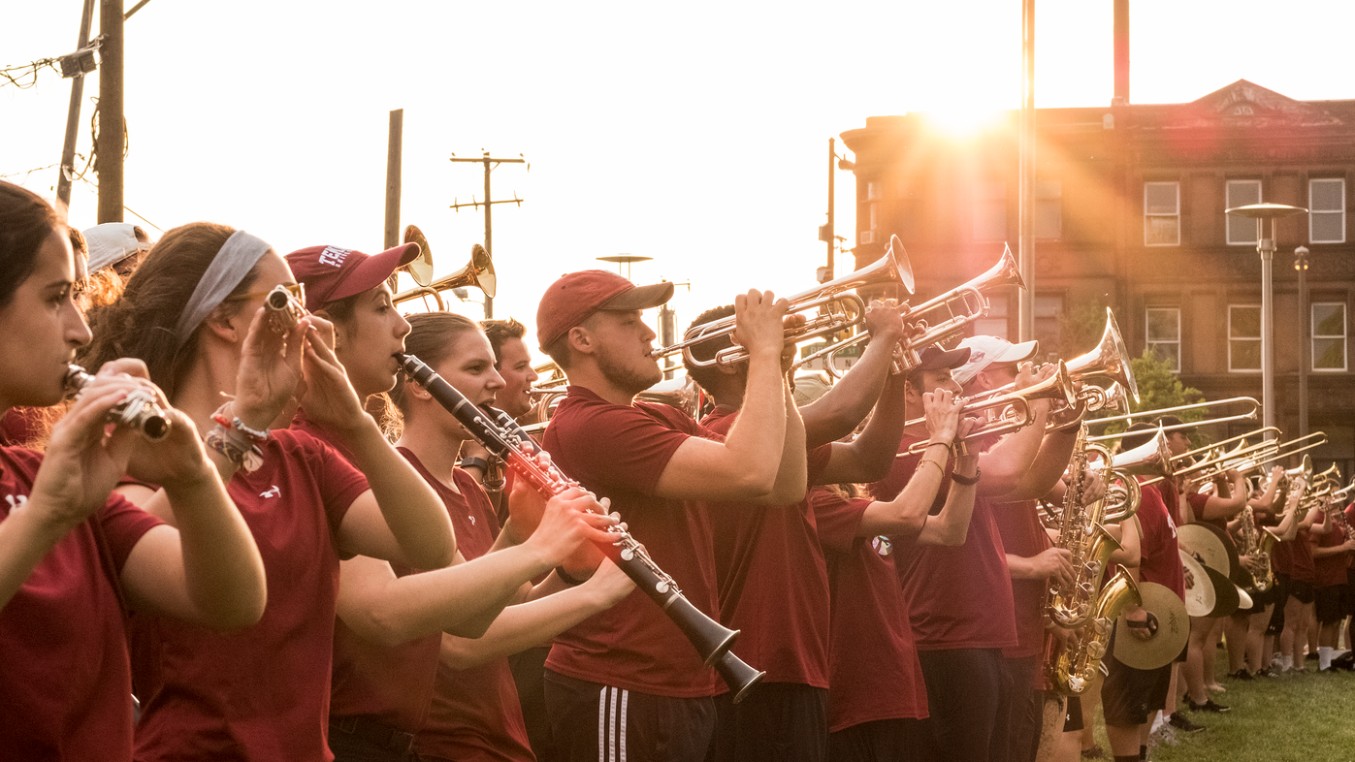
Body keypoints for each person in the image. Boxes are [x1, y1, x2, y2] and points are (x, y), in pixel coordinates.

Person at [83, 223, 457, 760]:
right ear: (224, 318)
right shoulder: (136, 446)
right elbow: (150, 543)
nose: (306, 322)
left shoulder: (298, 456)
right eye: (285, 301)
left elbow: (429, 545)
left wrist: (354, 421)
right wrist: (243, 419)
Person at [0, 181, 266, 759]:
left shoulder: (31, 475)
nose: (82, 330)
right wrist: (45, 517)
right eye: (53, 298)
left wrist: (193, 473)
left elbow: (234, 602)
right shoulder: (47, 496)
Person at [533, 269, 806, 761]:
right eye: (629, 320)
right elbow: (750, 473)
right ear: (581, 339)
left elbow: (784, 485)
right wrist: (762, 354)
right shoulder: (588, 424)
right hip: (620, 679)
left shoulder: (656, 416)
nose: (648, 333)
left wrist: (778, 370)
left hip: (678, 682)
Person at [683, 299, 913, 761]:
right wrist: (884, 338)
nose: (786, 341)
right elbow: (843, 412)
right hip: (758, 663)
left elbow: (870, 458)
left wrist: (895, 372)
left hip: (797, 664)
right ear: (732, 358)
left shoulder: (778, 435)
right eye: (766, 333)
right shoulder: (727, 435)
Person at [871, 334, 1070, 762]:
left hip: (978, 633)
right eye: (942, 377)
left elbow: (1031, 482)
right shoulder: (909, 447)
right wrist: (1038, 405)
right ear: (909, 389)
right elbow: (1012, 470)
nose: (957, 386)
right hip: (945, 636)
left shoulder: (947, 444)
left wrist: (1065, 424)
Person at [806, 344, 981, 762]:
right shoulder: (813, 503)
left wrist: (967, 459)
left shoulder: (851, 496)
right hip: (855, 698)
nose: (846, 435)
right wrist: (940, 438)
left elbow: (948, 533)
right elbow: (906, 514)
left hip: (897, 688)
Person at [1099, 422, 1186, 762]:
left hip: (1158, 609)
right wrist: (1133, 610)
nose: (1166, 455)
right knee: (1127, 705)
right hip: (1142, 612)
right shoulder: (1132, 488)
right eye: (1160, 447)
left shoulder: (1151, 489)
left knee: (1146, 701)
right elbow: (1131, 554)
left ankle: (1141, 756)